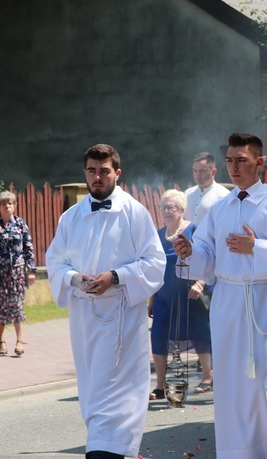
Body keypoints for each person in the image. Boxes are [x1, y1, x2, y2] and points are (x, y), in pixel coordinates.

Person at [173, 133, 267, 458]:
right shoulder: (220, 208)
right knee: (233, 381)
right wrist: (189, 252)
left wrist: (256, 248)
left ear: (258, 163)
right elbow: (207, 252)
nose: (234, 167)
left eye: (241, 160)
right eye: (230, 161)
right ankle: (239, 451)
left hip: (262, 300)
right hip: (228, 302)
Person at [46, 144, 167, 459]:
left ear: (117, 173)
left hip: (122, 317)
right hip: (84, 318)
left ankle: (104, 452)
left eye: (103, 171)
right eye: (91, 171)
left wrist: (115, 277)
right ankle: (102, 446)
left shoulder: (135, 213)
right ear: (84, 172)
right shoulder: (71, 217)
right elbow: (55, 262)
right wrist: (74, 279)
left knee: (115, 388)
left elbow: (155, 263)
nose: (96, 177)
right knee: (91, 386)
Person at [148, 189, 212, 400]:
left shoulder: (195, 230)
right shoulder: (157, 235)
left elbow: (210, 260)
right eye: (163, 207)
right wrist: (152, 297)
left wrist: (201, 284)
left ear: (182, 210)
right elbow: (154, 269)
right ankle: (159, 385)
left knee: (200, 334)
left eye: (171, 207)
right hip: (164, 297)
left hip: (190, 295)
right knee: (158, 336)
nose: (166, 211)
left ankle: (208, 376)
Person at [0, 191, 36, 357]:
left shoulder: (21, 224)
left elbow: (28, 248)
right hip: (1, 274)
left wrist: (31, 271)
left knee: (17, 306)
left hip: (16, 274)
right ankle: (1, 341)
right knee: (1, 308)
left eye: (10, 203)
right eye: (4, 203)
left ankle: (19, 341)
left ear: (14, 206)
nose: (7, 206)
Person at [184, 152, 230, 225]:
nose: (197, 175)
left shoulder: (224, 196)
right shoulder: (187, 193)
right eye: (195, 171)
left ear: (213, 172)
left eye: (202, 171)